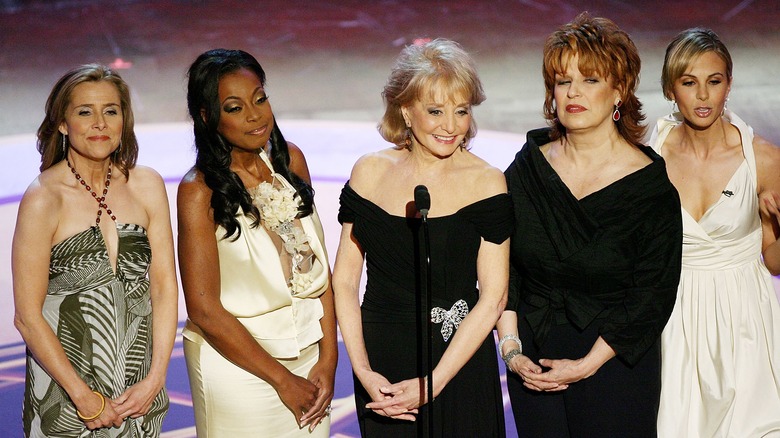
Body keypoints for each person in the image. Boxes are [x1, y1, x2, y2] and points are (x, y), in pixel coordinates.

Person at [495, 12, 683, 437]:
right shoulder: (527, 168)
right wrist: (511, 350)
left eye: (591, 80)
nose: (573, 92)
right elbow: (505, 270)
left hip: (613, 364)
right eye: (563, 81)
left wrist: (586, 365)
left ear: (619, 91)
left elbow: (651, 296)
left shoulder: (649, 188)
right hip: (533, 361)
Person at [332, 38, 512, 437]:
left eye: (461, 111)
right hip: (382, 366)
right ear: (405, 111)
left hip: (457, 361)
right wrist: (361, 369)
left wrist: (434, 382)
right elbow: (344, 281)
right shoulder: (369, 172)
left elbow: (494, 295)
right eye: (435, 111)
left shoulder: (487, 182)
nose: (451, 126)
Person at [177, 48, 337, 437]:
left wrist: (330, 357)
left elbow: (318, 269)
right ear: (206, 116)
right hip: (241, 371)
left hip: (310, 363)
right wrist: (282, 380)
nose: (255, 115)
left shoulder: (290, 162)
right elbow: (203, 308)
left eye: (260, 99)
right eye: (234, 107)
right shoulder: (199, 191)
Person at [12, 64, 178, 436]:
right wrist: (84, 398)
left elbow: (164, 287)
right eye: (85, 112)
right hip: (68, 400)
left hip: (139, 393)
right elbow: (27, 316)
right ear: (62, 123)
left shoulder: (147, 185)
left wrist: (155, 378)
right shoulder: (44, 199)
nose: (100, 123)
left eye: (111, 111)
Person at [650, 27, 780, 437]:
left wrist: (777, 226)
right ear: (671, 89)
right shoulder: (648, 156)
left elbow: (774, 263)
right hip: (674, 320)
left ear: (729, 84)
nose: (703, 96)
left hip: (745, 322)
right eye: (689, 83)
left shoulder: (763, 158)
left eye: (714, 81)